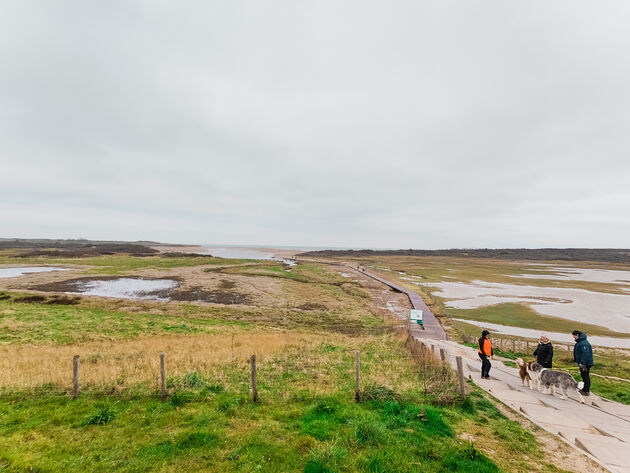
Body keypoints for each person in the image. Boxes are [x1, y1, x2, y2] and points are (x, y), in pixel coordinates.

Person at [572, 330, 593, 396]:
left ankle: (586, 391)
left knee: (585, 376)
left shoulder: (584, 343)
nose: (573, 337)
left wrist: (582, 364)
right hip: (582, 363)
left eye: (574, 336)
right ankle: (585, 389)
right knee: (584, 376)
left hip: (585, 364)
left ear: (577, 335)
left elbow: (585, 354)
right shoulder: (580, 342)